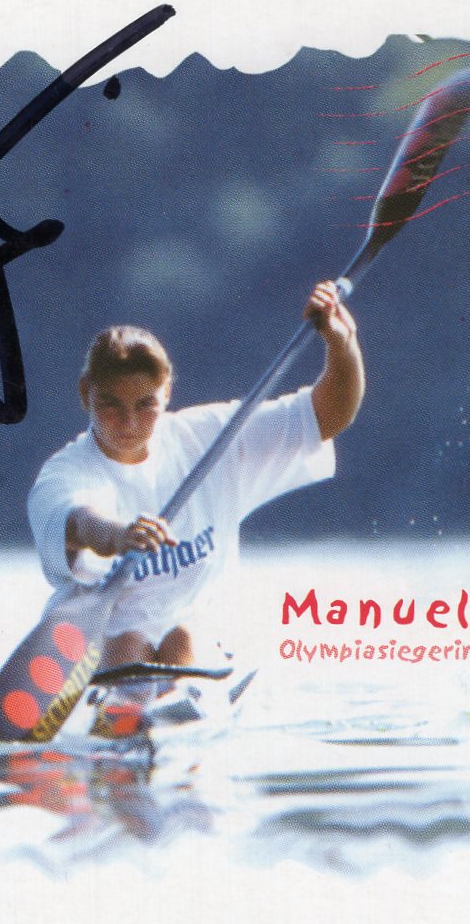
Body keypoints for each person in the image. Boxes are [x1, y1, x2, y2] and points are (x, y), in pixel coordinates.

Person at [26, 279, 364, 671]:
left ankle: (164, 694)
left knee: (181, 638)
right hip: (100, 641)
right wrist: (118, 535)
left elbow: (327, 416)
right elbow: (79, 523)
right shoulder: (65, 474)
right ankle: (128, 700)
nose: (129, 423)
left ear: (167, 393)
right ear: (86, 392)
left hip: (195, 632)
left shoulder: (210, 438)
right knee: (130, 645)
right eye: (111, 405)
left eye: (145, 405)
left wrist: (342, 345)